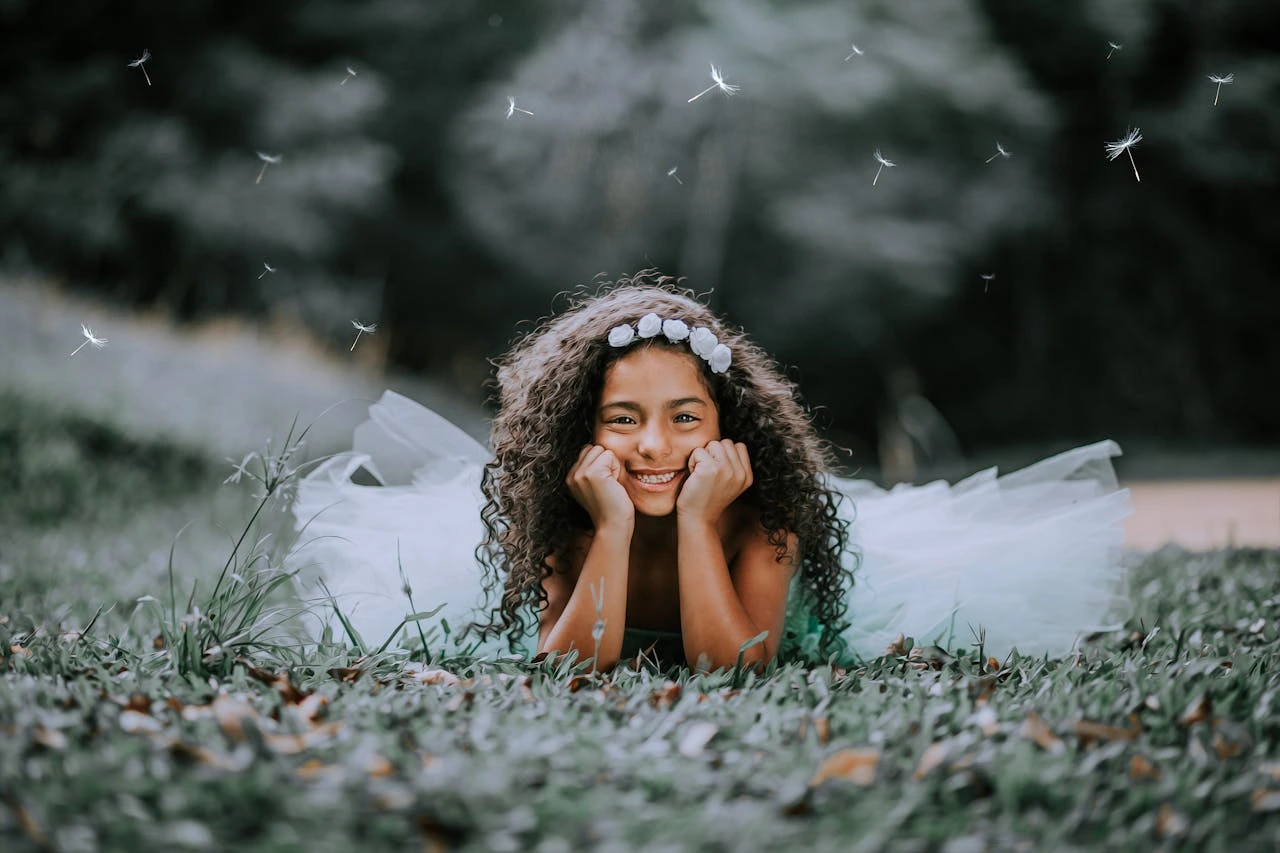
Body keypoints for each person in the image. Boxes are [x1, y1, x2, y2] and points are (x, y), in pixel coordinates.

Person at [287, 272, 1133, 671]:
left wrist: (697, 521)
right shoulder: (563, 512)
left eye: (684, 418)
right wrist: (612, 529)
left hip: (795, 575)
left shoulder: (765, 515)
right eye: (623, 420)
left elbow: (734, 670)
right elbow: (570, 666)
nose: (654, 446)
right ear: (580, 432)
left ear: (730, 425)